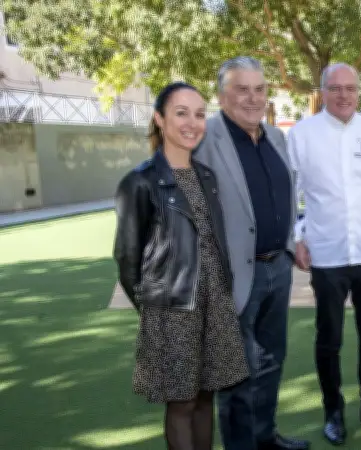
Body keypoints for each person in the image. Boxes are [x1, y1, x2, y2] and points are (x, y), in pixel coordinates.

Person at [112, 82, 250, 450]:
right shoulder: (139, 182)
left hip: (215, 304)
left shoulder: (206, 177)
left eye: (200, 113)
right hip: (172, 309)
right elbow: (127, 258)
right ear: (159, 119)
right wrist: (155, 306)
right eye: (181, 112)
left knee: (207, 396)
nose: (192, 122)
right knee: (183, 402)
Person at [192, 57, 308, 450]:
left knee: (271, 361)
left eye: (259, 89)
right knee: (237, 373)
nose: (252, 98)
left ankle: (265, 437)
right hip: (231, 276)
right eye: (242, 89)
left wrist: (290, 247)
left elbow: (286, 195)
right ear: (223, 96)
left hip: (278, 268)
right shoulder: (204, 138)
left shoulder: (276, 137)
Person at [287, 63, 361, 445]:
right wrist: (296, 236)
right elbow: (292, 192)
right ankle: (333, 412)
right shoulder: (303, 135)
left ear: (359, 92)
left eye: (350, 88)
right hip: (326, 254)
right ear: (322, 91)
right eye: (335, 88)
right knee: (329, 338)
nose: (343, 95)